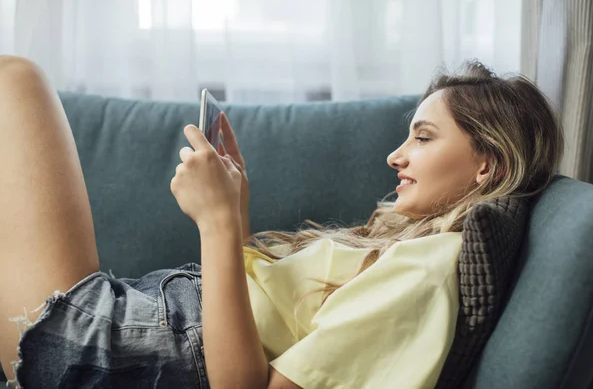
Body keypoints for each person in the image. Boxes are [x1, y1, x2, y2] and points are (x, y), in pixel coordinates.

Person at [0, 56, 563, 389]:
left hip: (107, 342)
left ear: (489, 163)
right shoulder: (418, 249)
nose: (395, 156)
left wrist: (219, 224)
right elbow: (266, 326)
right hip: (140, 323)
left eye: (422, 137)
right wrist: (236, 212)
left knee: (14, 79)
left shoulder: (428, 269)